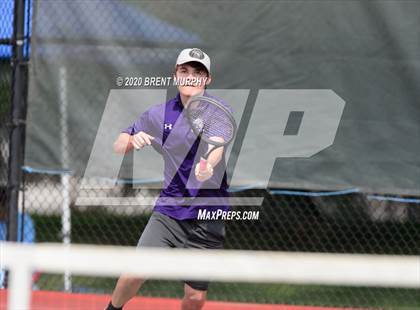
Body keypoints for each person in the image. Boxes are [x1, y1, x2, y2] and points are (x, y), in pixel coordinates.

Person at [106, 48, 231, 310]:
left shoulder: (217, 112)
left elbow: (216, 145)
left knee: (195, 297)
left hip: (208, 215)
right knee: (134, 272)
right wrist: (131, 140)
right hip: (169, 211)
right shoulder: (158, 114)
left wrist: (207, 164)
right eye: (184, 71)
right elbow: (117, 145)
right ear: (175, 75)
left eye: (198, 73)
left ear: (207, 79)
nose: (190, 77)